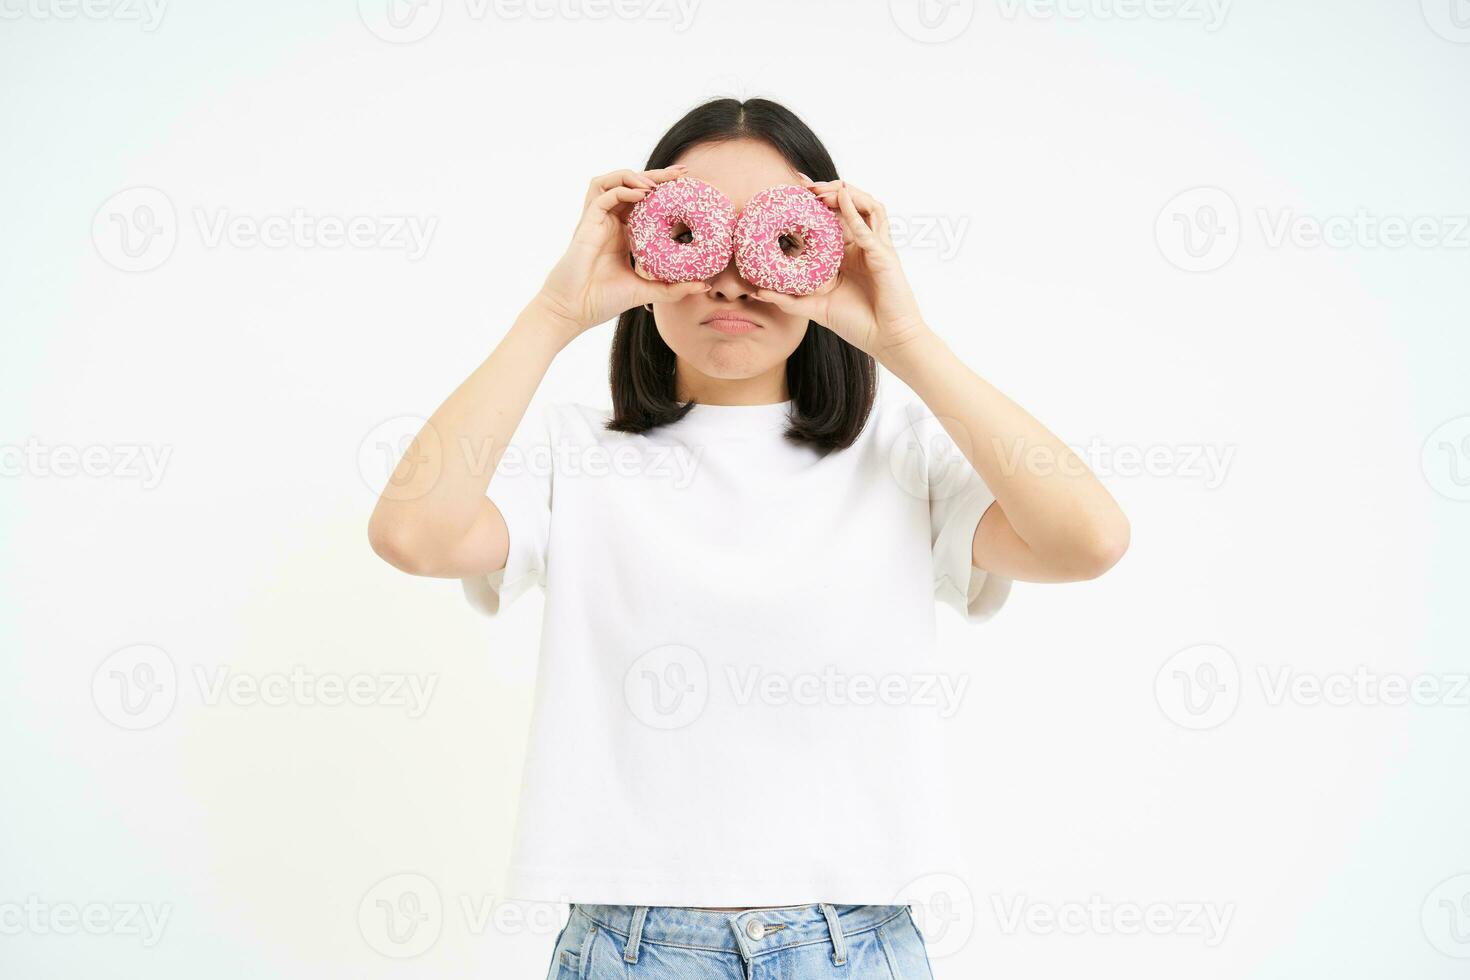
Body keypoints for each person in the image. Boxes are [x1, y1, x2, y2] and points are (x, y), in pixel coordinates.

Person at [368, 97, 1129, 980]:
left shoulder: (902, 461)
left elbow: (1091, 541)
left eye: (773, 240)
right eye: (695, 233)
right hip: (633, 948)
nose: (732, 280)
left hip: (858, 944)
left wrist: (905, 337)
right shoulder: (572, 457)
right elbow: (411, 534)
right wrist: (554, 311)